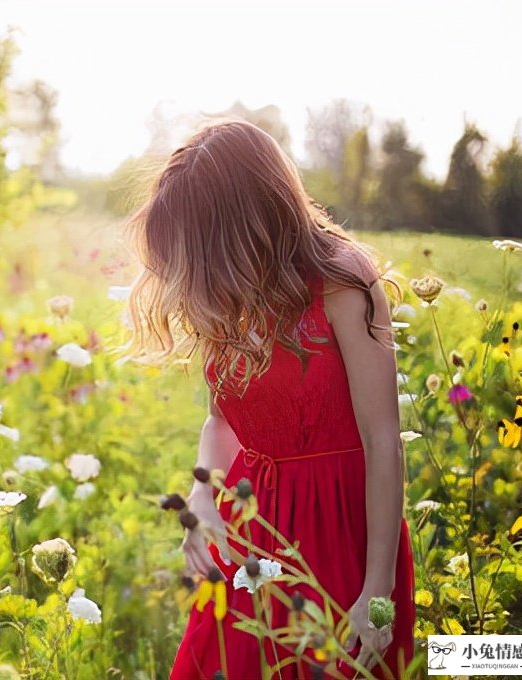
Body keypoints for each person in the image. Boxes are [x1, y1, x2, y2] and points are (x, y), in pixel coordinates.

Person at [117, 117, 417, 679]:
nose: (199, 265)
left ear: (244, 221)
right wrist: (201, 498)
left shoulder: (343, 282)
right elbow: (221, 423)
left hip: (344, 533)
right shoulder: (228, 293)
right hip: (254, 530)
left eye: (204, 241)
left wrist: (379, 593)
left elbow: (383, 442)